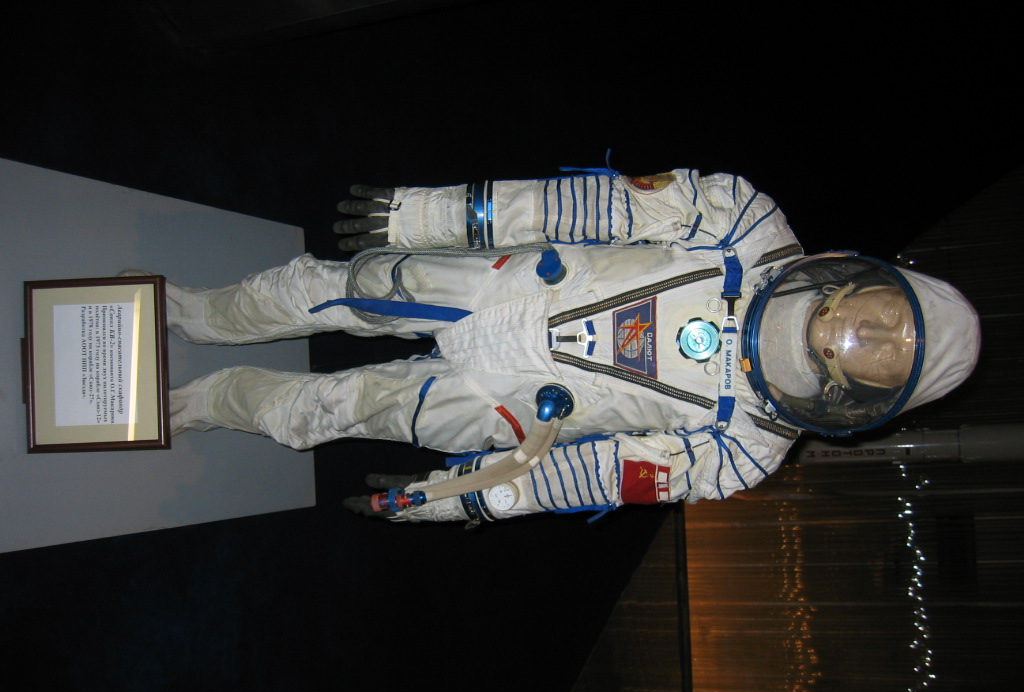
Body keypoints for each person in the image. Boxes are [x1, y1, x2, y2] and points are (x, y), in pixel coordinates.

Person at [163, 167, 980, 525]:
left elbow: (596, 475)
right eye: (888, 313)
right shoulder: (745, 224)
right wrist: (435, 216)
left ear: (881, 396)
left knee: (336, 407)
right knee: (334, 288)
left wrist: (466, 496)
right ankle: (197, 314)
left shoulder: (747, 449)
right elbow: (594, 208)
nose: (870, 333)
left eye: (890, 352)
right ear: (865, 279)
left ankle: (193, 405)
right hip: (508, 287)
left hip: (511, 410)